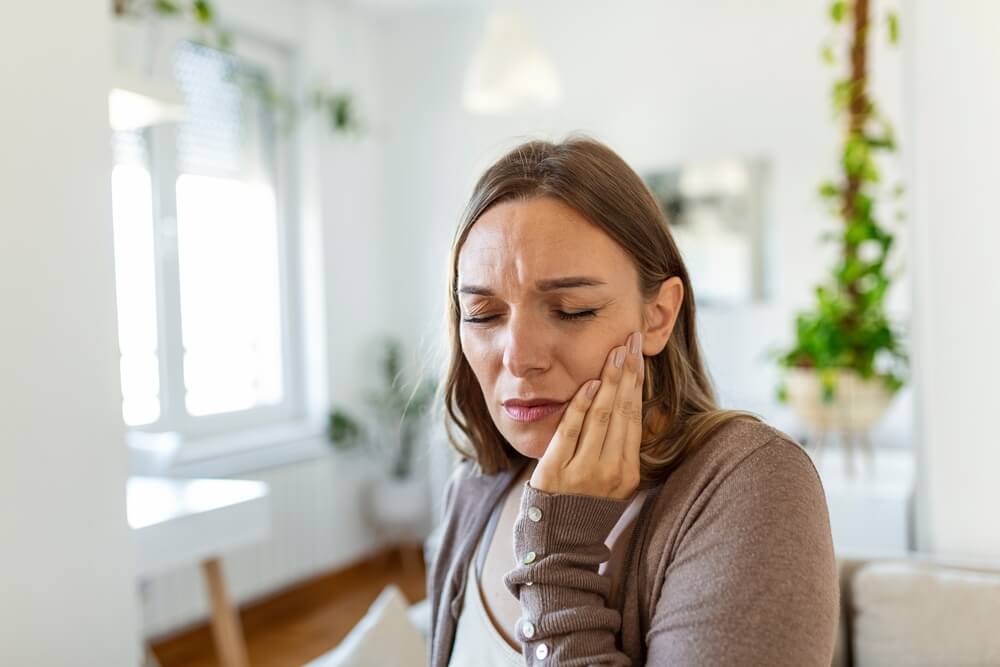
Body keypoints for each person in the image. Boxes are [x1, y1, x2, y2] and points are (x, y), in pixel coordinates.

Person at [426, 136, 839, 666]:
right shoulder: (474, 488)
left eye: (571, 309)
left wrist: (559, 561)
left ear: (657, 316)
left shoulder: (751, 484)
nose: (519, 357)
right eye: (483, 314)